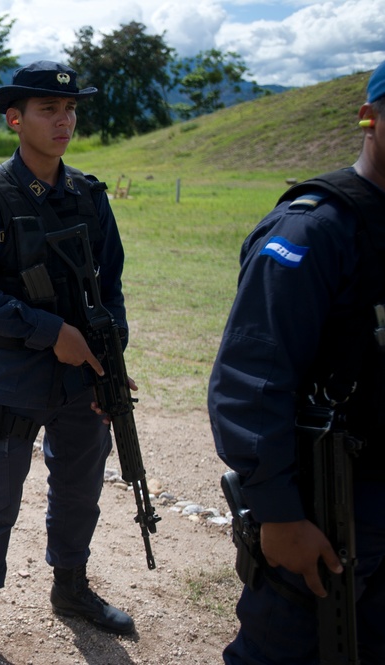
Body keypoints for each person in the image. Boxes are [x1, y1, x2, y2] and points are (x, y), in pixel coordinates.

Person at [0, 61, 136, 664]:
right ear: (15, 119)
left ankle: (71, 588)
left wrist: (112, 354)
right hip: (16, 373)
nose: (63, 121)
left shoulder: (88, 194)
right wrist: (50, 331)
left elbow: (113, 285)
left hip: (85, 373)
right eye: (48, 111)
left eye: (70, 110)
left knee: (80, 488)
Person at [208, 61, 385, 664]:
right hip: (332, 505)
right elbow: (249, 382)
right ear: (369, 117)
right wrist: (279, 514)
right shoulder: (314, 230)